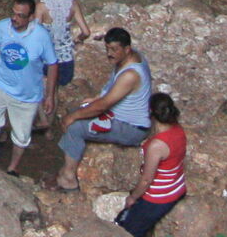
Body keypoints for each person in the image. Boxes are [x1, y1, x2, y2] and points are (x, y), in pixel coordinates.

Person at [50, 26, 153, 193]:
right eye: (107, 49)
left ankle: (68, 178)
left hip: (131, 128)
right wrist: (97, 98)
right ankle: (66, 166)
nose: (109, 53)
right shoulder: (131, 58)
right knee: (77, 110)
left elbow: (103, 106)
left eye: (114, 49)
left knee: (74, 126)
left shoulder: (131, 74)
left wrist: (73, 117)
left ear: (127, 49)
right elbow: (113, 91)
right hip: (120, 116)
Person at [0, 0, 58, 175]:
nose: (15, 18)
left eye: (20, 15)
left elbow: (53, 64)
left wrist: (50, 95)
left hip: (26, 94)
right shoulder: (2, 27)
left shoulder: (41, 36)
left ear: (31, 17)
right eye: (13, 13)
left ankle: (12, 168)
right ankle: (0, 136)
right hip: (0, 84)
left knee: (22, 137)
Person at [114, 92, 186, 235]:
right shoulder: (177, 129)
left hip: (159, 197)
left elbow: (146, 180)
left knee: (127, 230)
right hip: (177, 186)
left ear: (151, 112)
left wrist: (132, 198)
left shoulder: (157, 146)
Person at [37, 0, 90, 92]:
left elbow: (35, 34)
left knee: (47, 93)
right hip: (66, 59)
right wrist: (78, 39)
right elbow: (86, 32)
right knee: (58, 92)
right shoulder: (73, 4)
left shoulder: (41, 7)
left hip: (46, 60)